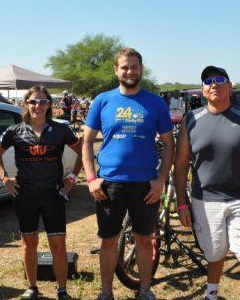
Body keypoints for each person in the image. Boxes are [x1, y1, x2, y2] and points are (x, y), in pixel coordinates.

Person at [174, 66, 240, 300]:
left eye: (220, 79)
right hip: (205, 201)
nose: (214, 84)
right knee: (214, 253)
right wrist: (181, 203)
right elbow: (180, 164)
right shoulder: (190, 120)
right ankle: (211, 295)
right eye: (208, 81)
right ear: (202, 90)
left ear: (230, 86)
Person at [82, 47, 174, 300]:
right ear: (116, 70)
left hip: (146, 184)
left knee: (144, 239)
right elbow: (87, 141)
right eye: (124, 67)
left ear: (141, 69)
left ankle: (144, 290)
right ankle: (106, 292)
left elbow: (169, 144)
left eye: (134, 66)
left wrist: (161, 179)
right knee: (109, 241)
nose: (130, 71)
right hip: (109, 184)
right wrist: (91, 178)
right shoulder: (103, 100)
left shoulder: (155, 102)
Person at [0, 86, 83, 300]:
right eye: (33, 102)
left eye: (42, 102)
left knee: (58, 245)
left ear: (50, 105)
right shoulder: (15, 131)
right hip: (26, 195)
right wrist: (4, 178)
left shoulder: (61, 130)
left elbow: (82, 152)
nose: (37, 106)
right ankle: (32, 287)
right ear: (26, 104)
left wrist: (71, 179)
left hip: (54, 194)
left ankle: (62, 290)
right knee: (29, 243)